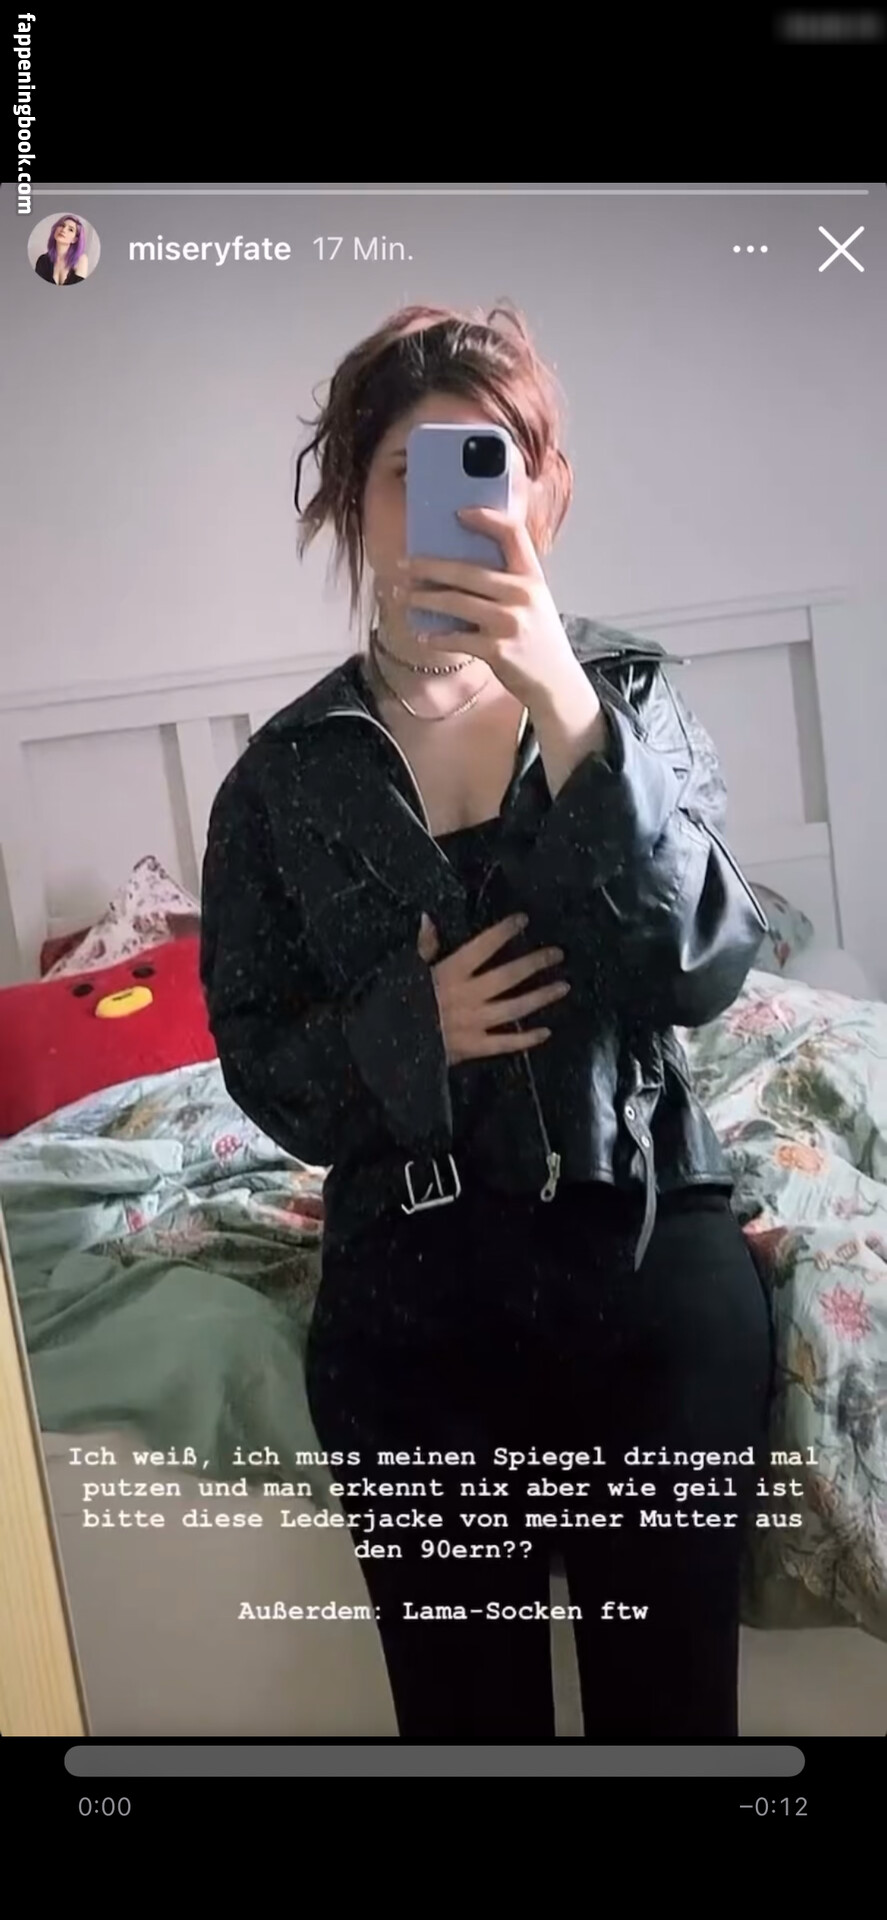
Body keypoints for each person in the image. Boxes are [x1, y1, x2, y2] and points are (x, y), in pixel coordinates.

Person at [200, 303, 775, 1740]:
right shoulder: (280, 781)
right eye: (406, 468)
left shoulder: (629, 701)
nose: (445, 500)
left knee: (672, 1722)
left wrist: (564, 709)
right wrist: (417, 1026)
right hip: (408, 1296)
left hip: (647, 1249)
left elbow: (704, 964)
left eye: (484, 463)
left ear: (545, 492)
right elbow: (260, 1062)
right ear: (354, 500)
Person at [34, 215, 89, 285]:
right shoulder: (42, 260)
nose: (63, 230)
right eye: (62, 225)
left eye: (70, 229)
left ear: (74, 240)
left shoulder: (81, 259)